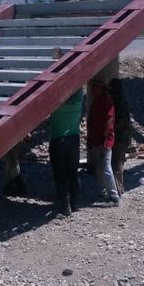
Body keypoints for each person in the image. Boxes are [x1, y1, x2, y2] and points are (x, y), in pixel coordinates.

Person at [48, 88, 84, 216]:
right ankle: (75, 203)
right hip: (74, 140)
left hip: (58, 140)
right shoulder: (78, 101)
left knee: (60, 175)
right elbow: (79, 88)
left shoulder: (55, 103)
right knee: (73, 173)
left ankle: (65, 207)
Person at [86, 79, 119, 205]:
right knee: (99, 168)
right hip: (96, 140)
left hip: (103, 141)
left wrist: (104, 136)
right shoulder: (97, 101)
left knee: (106, 168)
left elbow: (109, 120)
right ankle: (103, 192)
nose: (92, 89)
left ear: (101, 88)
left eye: (95, 87)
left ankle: (114, 196)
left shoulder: (106, 101)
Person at [108, 78, 132, 196]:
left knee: (117, 165)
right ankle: (117, 188)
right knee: (116, 164)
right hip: (121, 138)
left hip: (120, 139)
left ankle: (118, 190)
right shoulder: (119, 101)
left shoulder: (119, 104)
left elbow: (120, 124)